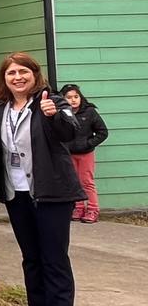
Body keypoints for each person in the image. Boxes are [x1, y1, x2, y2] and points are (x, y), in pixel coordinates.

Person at [0, 53, 84, 306]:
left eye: (23, 72)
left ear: (34, 74)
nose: (17, 77)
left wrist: (53, 115)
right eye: (11, 73)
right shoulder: (0, 107)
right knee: (31, 257)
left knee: (54, 257)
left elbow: (69, 133)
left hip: (51, 192)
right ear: (4, 79)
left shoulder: (52, 101)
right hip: (16, 193)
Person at [60, 83, 108, 224]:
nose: (73, 100)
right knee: (74, 182)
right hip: (69, 154)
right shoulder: (62, 113)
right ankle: (79, 207)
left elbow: (103, 132)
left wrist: (88, 144)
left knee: (87, 182)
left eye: (76, 96)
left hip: (86, 154)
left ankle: (93, 209)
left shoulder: (90, 112)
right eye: (69, 97)